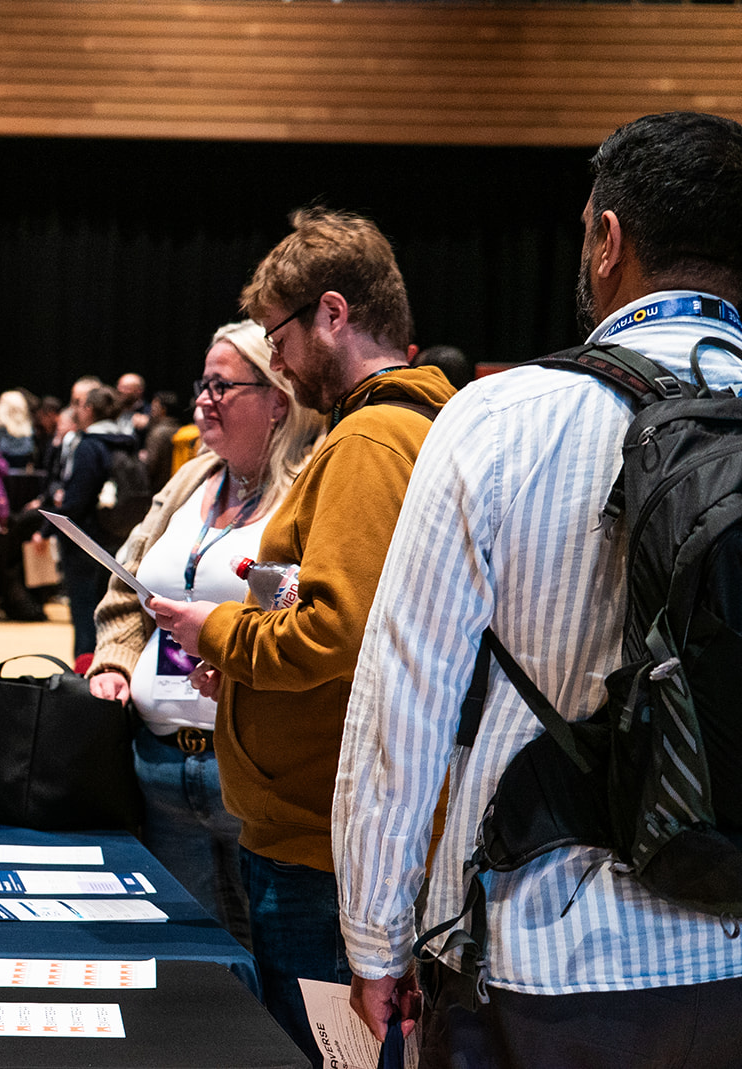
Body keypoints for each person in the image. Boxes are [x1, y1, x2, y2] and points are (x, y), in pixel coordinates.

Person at [335, 111, 742, 1066]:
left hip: (544, 959)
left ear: (609, 240)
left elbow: (405, 700)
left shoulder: (503, 418)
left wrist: (375, 937)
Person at [150, 208, 456, 1066]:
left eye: (280, 338)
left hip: (322, 847)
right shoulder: (393, 427)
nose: (278, 361)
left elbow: (334, 631)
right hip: (326, 830)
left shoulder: (370, 438)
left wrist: (217, 630)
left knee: (326, 1054)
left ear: (332, 314)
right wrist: (248, 666)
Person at [88, 322, 324, 946]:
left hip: (249, 771)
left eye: (222, 386)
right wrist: (113, 662)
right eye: (202, 384)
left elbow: (316, 619)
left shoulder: (311, 488)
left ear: (277, 400)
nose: (202, 400)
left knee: (268, 963)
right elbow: (126, 587)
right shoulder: (192, 478)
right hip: (157, 765)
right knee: (185, 960)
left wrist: (241, 663)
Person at [48, 384, 143, 658]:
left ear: (88, 409)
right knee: (109, 615)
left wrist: (53, 523)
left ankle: (84, 677)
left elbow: (78, 500)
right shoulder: (128, 442)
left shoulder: (89, 445)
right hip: (118, 538)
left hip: (85, 543)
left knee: (85, 616)